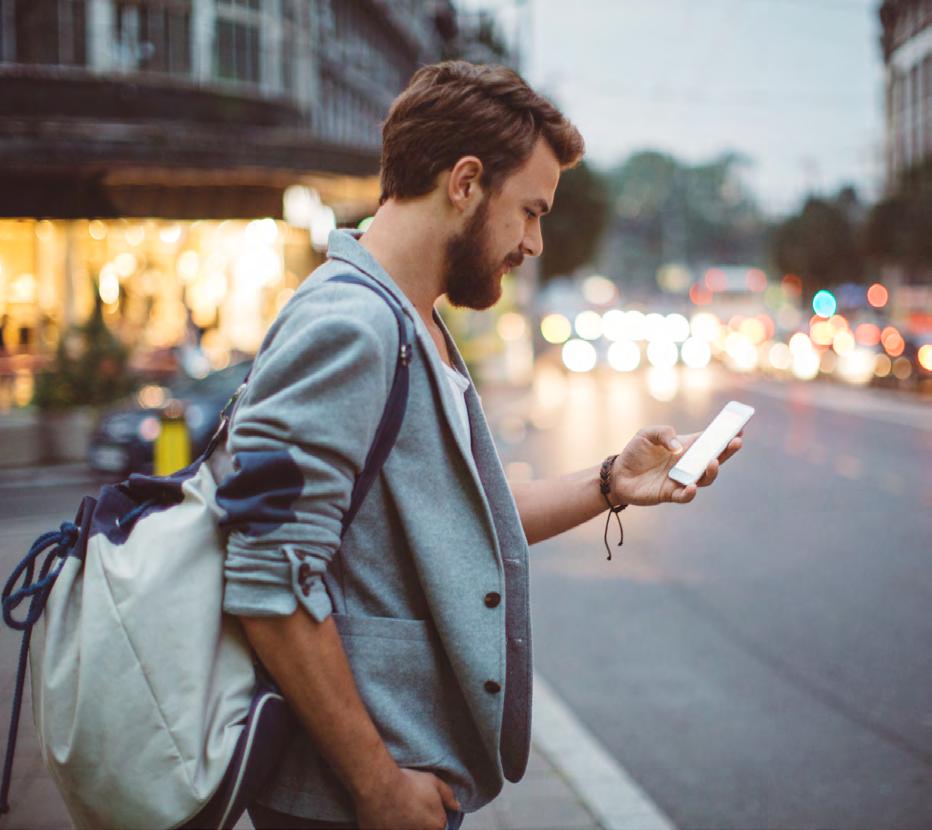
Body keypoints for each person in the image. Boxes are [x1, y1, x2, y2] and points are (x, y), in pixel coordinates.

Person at [219, 61, 742, 830]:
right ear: (464, 182)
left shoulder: (410, 321)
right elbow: (267, 575)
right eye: (529, 211)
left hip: (395, 784)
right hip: (346, 801)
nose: (535, 242)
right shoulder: (349, 324)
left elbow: (462, 523)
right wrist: (376, 786)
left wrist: (611, 481)